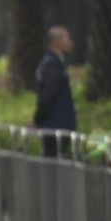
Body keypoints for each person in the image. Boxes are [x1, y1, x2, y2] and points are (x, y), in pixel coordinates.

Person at [31, 26, 77, 158]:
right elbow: (48, 96)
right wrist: (37, 119)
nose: (71, 42)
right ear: (56, 42)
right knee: (53, 162)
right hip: (55, 126)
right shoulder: (52, 64)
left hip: (58, 125)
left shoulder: (57, 62)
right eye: (67, 38)